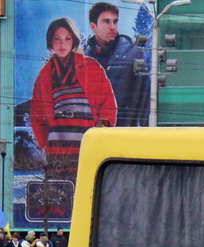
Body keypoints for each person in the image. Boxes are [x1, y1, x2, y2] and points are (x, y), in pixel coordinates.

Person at [31, 17, 117, 183]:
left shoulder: (91, 68)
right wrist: (46, 147)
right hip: (58, 156)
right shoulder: (44, 77)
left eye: (67, 39)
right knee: (59, 201)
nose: (62, 44)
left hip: (87, 151)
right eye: (57, 39)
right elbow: (36, 118)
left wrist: (100, 137)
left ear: (74, 42)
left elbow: (108, 105)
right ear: (50, 42)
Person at [85, 2, 150, 127]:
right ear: (93, 26)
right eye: (106, 21)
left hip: (122, 132)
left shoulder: (132, 54)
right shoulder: (84, 58)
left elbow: (144, 99)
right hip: (92, 134)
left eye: (115, 21)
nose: (112, 27)